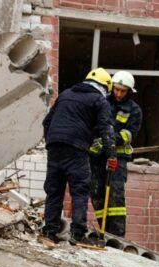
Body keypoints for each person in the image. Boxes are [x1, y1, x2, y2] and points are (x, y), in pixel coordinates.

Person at [41, 68, 115, 244]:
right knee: (80, 190)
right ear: (105, 87)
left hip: (55, 145)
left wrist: (52, 141)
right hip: (76, 147)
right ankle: (78, 234)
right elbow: (106, 129)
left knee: (54, 190)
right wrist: (111, 155)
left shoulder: (66, 94)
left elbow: (47, 122)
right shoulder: (99, 100)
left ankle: (50, 230)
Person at [89, 70, 142, 238]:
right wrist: (93, 143)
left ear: (129, 92)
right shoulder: (101, 102)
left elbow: (128, 135)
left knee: (116, 196)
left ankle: (117, 235)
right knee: (97, 193)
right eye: (117, 89)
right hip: (97, 159)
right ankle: (104, 232)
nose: (119, 94)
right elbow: (92, 125)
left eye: (123, 91)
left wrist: (108, 143)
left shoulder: (134, 110)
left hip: (118, 159)